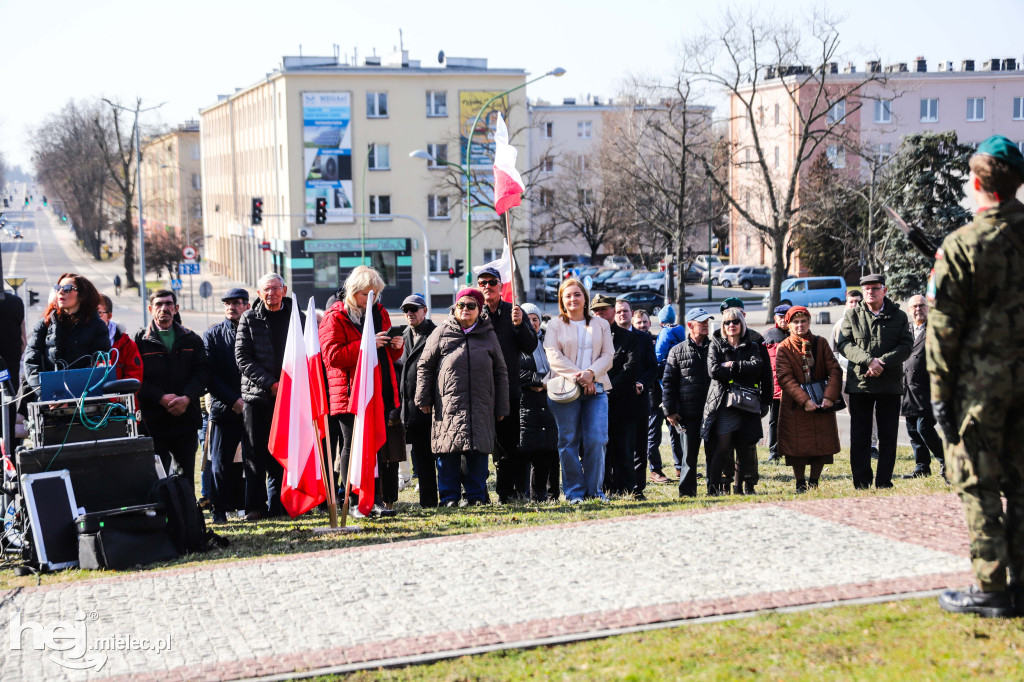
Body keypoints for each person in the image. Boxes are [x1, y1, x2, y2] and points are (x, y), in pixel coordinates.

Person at [929, 135, 1024, 618]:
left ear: (977, 182)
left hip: (981, 391)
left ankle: (990, 587)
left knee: (979, 485)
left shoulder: (964, 245)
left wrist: (940, 398)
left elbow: (942, 333)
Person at [320, 266, 403, 516]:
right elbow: (332, 356)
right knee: (352, 445)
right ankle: (353, 500)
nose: (372, 299)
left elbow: (388, 355)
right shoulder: (335, 317)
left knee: (375, 446)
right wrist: (365, 345)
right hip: (348, 392)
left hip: (378, 390)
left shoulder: (380, 313)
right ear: (353, 292)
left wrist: (395, 346)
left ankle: (374, 499)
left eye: (375, 294)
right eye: (366, 294)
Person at [416, 287, 509, 507]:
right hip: (448, 404)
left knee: (478, 452)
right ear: (455, 308)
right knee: (448, 451)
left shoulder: (488, 333)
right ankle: (449, 497)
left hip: (481, 404)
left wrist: (502, 407)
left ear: (479, 309)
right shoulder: (441, 332)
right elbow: (425, 366)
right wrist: (423, 398)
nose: (465, 309)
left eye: (471, 305)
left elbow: (500, 371)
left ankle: (475, 496)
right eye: (461, 305)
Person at [236, 274, 303, 520]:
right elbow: (243, 358)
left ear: (284, 290)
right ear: (258, 292)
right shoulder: (249, 318)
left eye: (276, 288)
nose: (271, 293)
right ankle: (255, 506)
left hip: (289, 399)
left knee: (283, 452)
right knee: (254, 453)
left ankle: (280, 505)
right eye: (266, 289)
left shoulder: (298, 318)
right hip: (257, 398)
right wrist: (271, 384)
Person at [837, 274, 913, 489]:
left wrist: (882, 363)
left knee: (888, 437)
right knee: (860, 436)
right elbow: (844, 344)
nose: (870, 292)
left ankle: (883, 481)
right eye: (867, 289)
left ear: (884, 290)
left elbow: (906, 346)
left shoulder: (898, 316)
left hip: (889, 384)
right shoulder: (852, 315)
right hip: (861, 384)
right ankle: (861, 481)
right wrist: (869, 361)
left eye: (875, 288)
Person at [544, 279, 613, 503]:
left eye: (577, 294)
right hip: (565, 390)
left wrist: (591, 374)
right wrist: (581, 377)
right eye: (568, 296)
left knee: (597, 439)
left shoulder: (601, 324)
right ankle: (574, 493)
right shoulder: (555, 325)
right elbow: (554, 357)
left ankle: (595, 491)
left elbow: (608, 355)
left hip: (597, 388)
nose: (573, 299)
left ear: (585, 297)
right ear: (562, 301)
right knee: (568, 441)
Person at [135, 289, 209, 483]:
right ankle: (162, 513)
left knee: (185, 476)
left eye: (168, 304)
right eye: (159, 304)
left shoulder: (192, 339)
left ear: (176, 309)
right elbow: (136, 379)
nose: (164, 308)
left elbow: (202, 373)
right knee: (156, 476)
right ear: (151, 309)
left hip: (185, 418)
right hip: (153, 421)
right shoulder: (139, 341)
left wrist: (186, 398)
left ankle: (185, 512)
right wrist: (160, 397)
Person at [476, 266, 537, 503]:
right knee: (479, 448)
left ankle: (508, 493)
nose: (487, 287)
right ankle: (478, 494)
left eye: (492, 282)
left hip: (508, 391)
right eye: (483, 283)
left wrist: (521, 325)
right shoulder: (473, 312)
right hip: (479, 392)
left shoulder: (514, 312)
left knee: (509, 448)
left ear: (501, 286)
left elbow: (530, 347)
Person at [700, 306, 772, 495]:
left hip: (747, 402)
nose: (731, 325)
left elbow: (758, 367)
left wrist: (732, 365)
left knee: (744, 445)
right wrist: (742, 368)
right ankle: (713, 488)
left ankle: (739, 488)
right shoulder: (716, 343)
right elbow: (713, 370)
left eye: (735, 321)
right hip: (723, 403)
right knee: (722, 446)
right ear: (723, 325)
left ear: (742, 323)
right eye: (727, 322)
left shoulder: (753, 345)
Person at [775, 306, 842, 492]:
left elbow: (835, 370)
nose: (800, 325)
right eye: (795, 322)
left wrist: (829, 397)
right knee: (797, 448)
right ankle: (800, 483)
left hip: (822, 402)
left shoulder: (820, 343)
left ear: (809, 322)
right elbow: (785, 378)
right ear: (788, 325)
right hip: (796, 407)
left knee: (821, 446)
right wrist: (805, 400)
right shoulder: (784, 347)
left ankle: (814, 481)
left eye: (803, 321)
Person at [203, 288, 251, 523]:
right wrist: (234, 401)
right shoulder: (213, 335)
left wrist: (249, 400)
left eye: (237, 302)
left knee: (255, 461)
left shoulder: (256, 330)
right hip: (225, 408)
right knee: (220, 462)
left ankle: (255, 507)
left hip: (255, 406)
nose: (231, 306)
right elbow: (210, 375)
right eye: (228, 303)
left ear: (247, 306)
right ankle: (218, 510)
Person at [24, 273, 111, 396]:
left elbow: (99, 365)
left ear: (82, 295)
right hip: (49, 399)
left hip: (85, 400)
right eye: (58, 288)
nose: (60, 292)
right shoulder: (44, 324)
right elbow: (31, 363)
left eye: (67, 288)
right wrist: (47, 393)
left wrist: (76, 394)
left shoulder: (98, 326)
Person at [662, 307, 714, 497]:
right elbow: (668, 383)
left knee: (714, 455)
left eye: (707, 321)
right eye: (702, 322)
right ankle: (687, 492)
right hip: (687, 413)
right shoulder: (677, 351)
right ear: (690, 326)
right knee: (689, 457)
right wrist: (669, 410)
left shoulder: (714, 347)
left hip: (712, 411)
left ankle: (714, 489)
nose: (706, 324)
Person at [593, 295, 639, 498]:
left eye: (603, 310)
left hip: (623, 403)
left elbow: (630, 368)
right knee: (602, 450)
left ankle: (629, 488)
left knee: (625, 450)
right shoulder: (589, 337)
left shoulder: (628, 338)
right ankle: (605, 488)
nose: (599, 314)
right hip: (596, 402)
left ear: (613, 311)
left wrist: (607, 387)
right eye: (596, 311)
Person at [398, 294, 439, 508]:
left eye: (414, 309)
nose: (409, 313)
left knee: (425, 458)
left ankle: (429, 501)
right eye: (406, 310)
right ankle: (389, 499)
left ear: (424, 310)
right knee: (401, 456)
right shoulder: (403, 335)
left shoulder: (435, 334)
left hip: (426, 407)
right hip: (405, 407)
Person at [518, 302, 559, 502]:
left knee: (551, 451)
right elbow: (515, 371)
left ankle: (553, 494)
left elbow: (559, 364)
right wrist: (538, 380)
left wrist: (547, 382)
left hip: (550, 400)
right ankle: (532, 494)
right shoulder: (517, 343)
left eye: (535, 319)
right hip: (527, 403)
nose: (532, 323)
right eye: (528, 319)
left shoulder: (549, 341)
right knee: (530, 451)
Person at [901, 295, 945, 480]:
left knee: (924, 428)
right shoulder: (905, 330)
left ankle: (946, 462)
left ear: (928, 308)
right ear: (909, 310)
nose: (918, 309)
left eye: (922, 305)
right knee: (912, 429)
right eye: (914, 306)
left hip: (928, 389)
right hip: (907, 389)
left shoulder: (935, 330)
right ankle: (922, 466)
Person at [831, 289, 878, 457]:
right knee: (855, 413)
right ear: (846, 303)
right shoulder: (839, 325)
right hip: (847, 377)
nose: (854, 305)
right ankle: (859, 445)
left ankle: (872, 445)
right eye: (851, 302)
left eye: (858, 301)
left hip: (868, 374)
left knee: (871, 411)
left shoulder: (869, 320)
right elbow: (834, 353)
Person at [652, 304, 685, 480]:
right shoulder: (680, 331)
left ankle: (676, 466)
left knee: (665, 426)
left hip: (665, 383)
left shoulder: (665, 333)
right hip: (680, 382)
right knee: (677, 428)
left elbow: (658, 356)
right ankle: (681, 465)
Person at [630, 308, 660, 494]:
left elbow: (653, 367)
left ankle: (649, 475)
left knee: (647, 439)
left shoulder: (652, 339)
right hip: (624, 396)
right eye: (638, 322)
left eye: (644, 322)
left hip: (648, 396)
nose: (642, 325)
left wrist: (642, 382)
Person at [763, 304, 790, 463]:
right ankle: (774, 451)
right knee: (774, 422)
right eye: (780, 317)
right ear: (775, 318)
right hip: (775, 388)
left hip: (795, 389)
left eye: (786, 317)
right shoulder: (768, 336)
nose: (784, 320)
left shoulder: (800, 334)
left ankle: (793, 451)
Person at [96, 295, 143, 384]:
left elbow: (134, 376)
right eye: (90, 313)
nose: (93, 317)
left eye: (99, 313)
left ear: (109, 316)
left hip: (118, 396)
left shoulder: (126, 344)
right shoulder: (79, 340)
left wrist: (113, 395)